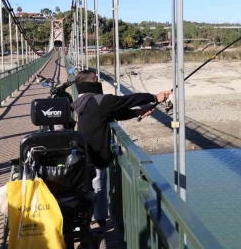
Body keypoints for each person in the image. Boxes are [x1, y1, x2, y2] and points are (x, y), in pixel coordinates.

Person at [70, 69, 169, 228]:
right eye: (96, 79)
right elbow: (127, 100)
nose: (98, 82)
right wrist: (154, 97)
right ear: (91, 81)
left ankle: (82, 223)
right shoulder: (99, 100)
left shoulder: (84, 101)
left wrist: (138, 112)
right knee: (98, 190)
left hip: (83, 154)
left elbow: (113, 112)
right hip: (96, 157)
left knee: (86, 191)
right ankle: (99, 226)